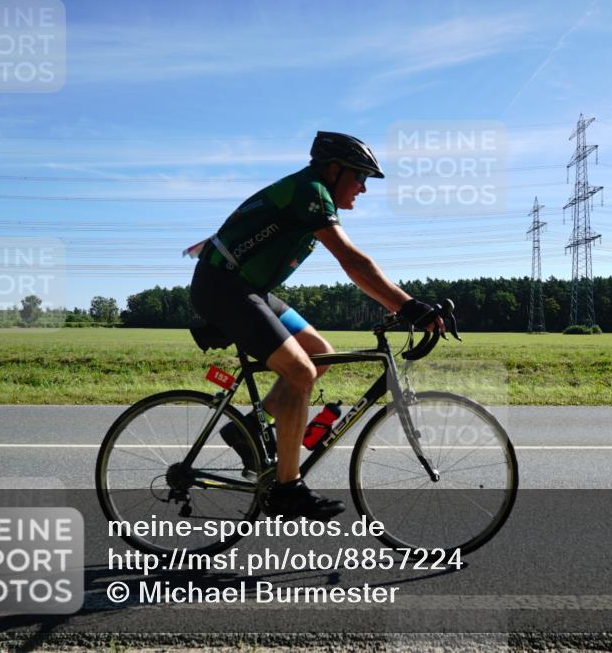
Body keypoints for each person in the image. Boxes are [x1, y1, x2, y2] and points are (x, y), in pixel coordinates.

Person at [188, 131, 443, 521]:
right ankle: (287, 491)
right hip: (225, 288)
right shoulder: (311, 191)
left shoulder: (311, 194)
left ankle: (247, 432)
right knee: (301, 370)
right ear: (334, 170)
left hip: (247, 288)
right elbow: (353, 262)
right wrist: (410, 307)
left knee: (319, 353)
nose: (363, 188)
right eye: (359, 177)